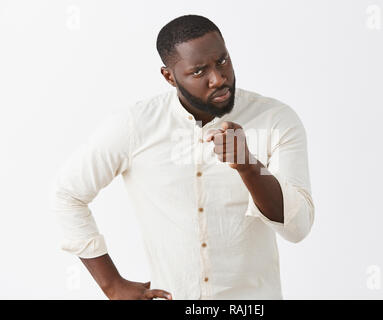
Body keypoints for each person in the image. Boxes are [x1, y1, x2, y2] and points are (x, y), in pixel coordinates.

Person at [50, 14, 315, 300]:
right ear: (169, 76)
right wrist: (111, 285)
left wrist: (249, 167)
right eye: (200, 71)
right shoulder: (135, 125)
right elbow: (68, 194)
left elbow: (297, 228)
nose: (218, 78)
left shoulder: (276, 120)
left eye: (222, 61)